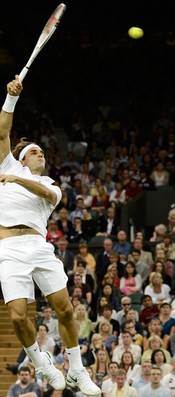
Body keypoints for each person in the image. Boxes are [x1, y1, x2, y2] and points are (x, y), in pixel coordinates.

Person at [0, 77, 99, 394]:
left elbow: (40, 190)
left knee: (66, 309)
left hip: (39, 247)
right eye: (35, 151)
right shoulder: (9, 164)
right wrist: (10, 98)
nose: (41, 154)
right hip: (9, 249)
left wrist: (14, 181)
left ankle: (77, 370)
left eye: (43, 151)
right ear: (23, 157)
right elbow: (3, 130)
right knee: (17, 317)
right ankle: (41, 363)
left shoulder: (52, 187)